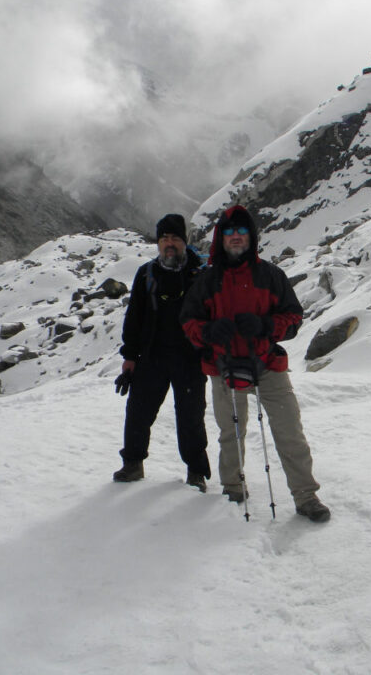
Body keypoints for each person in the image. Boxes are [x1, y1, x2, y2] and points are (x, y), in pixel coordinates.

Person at [180, 205, 330, 522]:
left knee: (290, 431)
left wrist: (265, 326)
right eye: (230, 232)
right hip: (223, 365)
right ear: (221, 238)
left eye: (242, 232)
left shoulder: (270, 276)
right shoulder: (207, 280)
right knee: (230, 434)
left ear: (251, 237)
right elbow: (189, 322)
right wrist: (207, 332)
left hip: (267, 363)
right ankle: (233, 489)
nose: (236, 237)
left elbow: (293, 318)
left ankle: (306, 495)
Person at [113, 213, 211, 491]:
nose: (169, 243)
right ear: (158, 243)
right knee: (138, 412)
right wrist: (129, 358)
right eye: (164, 238)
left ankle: (196, 471)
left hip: (190, 358)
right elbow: (134, 317)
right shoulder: (146, 273)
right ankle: (133, 462)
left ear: (184, 242)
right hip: (152, 356)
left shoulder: (200, 273)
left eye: (175, 238)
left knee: (191, 416)